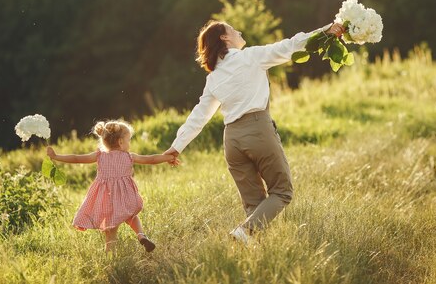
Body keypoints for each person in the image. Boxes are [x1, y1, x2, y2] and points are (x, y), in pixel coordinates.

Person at [163, 20, 345, 243]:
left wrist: (176, 146)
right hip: (257, 130)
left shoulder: (213, 78)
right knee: (282, 192)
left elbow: (199, 115)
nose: (239, 31)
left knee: (254, 205)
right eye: (233, 29)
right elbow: (290, 45)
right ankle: (243, 233)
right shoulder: (250, 56)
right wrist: (326, 31)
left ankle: (251, 253)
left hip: (231, 141)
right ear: (224, 37)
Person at [46, 119, 177, 252]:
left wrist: (56, 156)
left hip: (106, 199)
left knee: (110, 231)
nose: (129, 143)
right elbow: (151, 159)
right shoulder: (129, 157)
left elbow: (77, 158)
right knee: (132, 216)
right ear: (120, 142)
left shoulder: (99, 156)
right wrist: (168, 157)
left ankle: (110, 255)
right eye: (129, 140)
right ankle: (141, 235)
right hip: (126, 196)